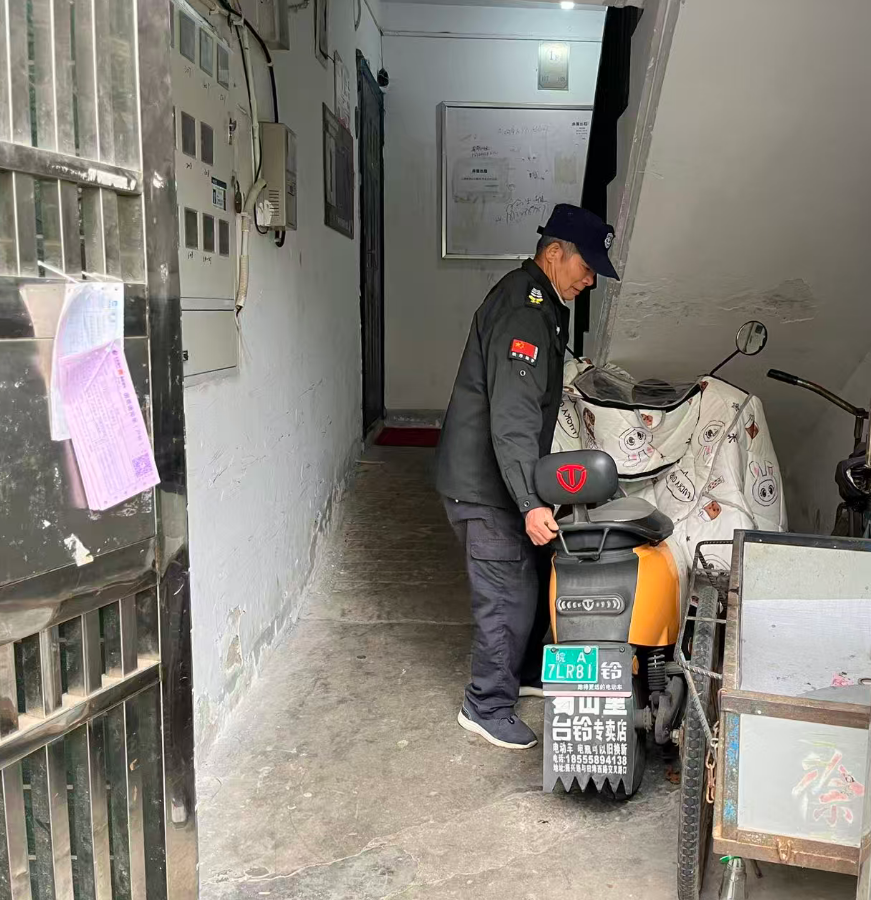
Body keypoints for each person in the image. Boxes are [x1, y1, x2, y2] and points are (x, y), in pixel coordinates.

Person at [436, 205, 620, 749]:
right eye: (586, 267)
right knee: (507, 595)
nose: (590, 280)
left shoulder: (540, 303)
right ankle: (486, 705)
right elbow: (514, 416)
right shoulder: (525, 309)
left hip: (500, 479)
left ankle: (523, 673)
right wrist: (530, 501)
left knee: (534, 574)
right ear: (555, 252)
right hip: (484, 485)